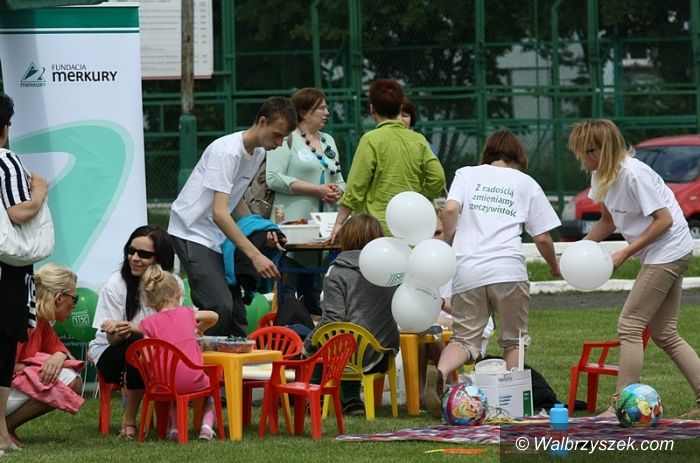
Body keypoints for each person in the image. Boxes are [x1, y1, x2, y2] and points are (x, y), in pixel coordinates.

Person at [568, 119, 700, 418]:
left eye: (583, 152)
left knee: (630, 325)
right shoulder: (600, 175)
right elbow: (607, 221)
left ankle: (620, 405)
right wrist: (578, 250)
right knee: (665, 333)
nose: (580, 159)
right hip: (663, 252)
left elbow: (664, 220)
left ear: (598, 151)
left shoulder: (633, 174)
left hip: (669, 250)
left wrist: (626, 252)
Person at [426, 129, 561, 417]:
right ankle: (513, 406)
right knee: (513, 340)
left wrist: (450, 238)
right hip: (508, 269)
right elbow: (542, 238)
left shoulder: (466, 174)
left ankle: (440, 372)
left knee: (465, 339)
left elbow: (450, 208)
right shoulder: (525, 182)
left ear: (488, 153)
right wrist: (554, 266)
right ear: (519, 157)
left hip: (467, 268)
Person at [169, 97, 297, 336]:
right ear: (261, 121)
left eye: (284, 138)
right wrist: (255, 255)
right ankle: (191, 353)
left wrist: (261, 230)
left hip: (217, 236)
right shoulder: (227, 152)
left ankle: (232, 359)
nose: (279, 143)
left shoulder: (258, 152)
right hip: (191, 232)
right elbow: (220, 213)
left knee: (237, 313)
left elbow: (235, 200)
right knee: (219, 307)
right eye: (277, 135)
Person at [302, 213, 399, 415]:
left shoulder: (338, 272)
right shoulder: (391, 269)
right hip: (385, 353)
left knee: (322, 341)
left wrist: (308, 345)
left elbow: (333, 320)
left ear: (346, 238)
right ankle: (351, 399)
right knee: (352, 332)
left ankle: (314, 395)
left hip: (348, 358)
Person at [89, 225, 178, 439]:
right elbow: (111, 340)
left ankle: (172, 420)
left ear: (160, 258)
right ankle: (129, 422)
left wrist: (134, 327)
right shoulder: (116, 284)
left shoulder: (170, 284)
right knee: (139, 346)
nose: (135, 258)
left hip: (154, 350)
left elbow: (172, 327)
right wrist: (119, 331)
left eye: (144, 254)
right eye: (131, 251)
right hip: (112, 352)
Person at [329, 79, 446, 241]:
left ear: (372, 109)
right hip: (410, 225)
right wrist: (420, 198)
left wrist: (339, 223)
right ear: (400, 108)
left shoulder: (370, 140)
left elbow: (355, 187)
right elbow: (438, 177)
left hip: (375, 229)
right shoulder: (418, 140)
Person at [266, 88, 345, 316]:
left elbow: (339, 179)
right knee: (290, 296)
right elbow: (274, 177)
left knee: (314, 296)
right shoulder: (286, 138)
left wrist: (338, 191)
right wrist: (316, 189)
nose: (326, 112)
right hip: (293, 232)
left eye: (326, 107)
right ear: (303, 112)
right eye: (320, 108)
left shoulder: (328, 140)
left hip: (324, 235)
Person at [0, 91, 49, 454]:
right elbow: (19, 212)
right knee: (3, 349)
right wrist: (41, 192)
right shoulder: (6, 161)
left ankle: (2, 431)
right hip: (7, 271)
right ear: (5, 127)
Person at [138, 264, 219, 440]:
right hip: (192, 380)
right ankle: (206, 427)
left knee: (175, 390)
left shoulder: (147, 324)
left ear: (150, 299)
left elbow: (147, 357)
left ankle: (175, 429)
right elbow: (214, 316)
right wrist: (199, 328)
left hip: (161, 384)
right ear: (179, 294)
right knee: (213, 390)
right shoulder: (187, 313)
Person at [6, 264, 83, 447]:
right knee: (69, 380)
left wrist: (59, 356)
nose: (74, 305)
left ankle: (5, 427)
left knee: (72, 379)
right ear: (59, 298)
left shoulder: (41, 322)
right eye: (74, 298)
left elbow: (65, 354)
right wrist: (25, 367)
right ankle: (4, 428)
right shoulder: (18, 317)